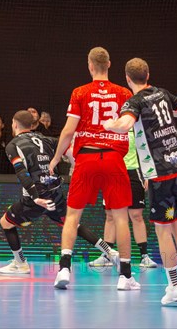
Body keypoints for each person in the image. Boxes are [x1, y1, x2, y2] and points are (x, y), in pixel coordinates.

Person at [102, 57, 177, 305]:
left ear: (127, 78)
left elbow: (124, 125)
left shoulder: (134, 102)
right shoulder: (163, 93)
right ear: (148, 74)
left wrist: (111, 125)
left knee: (163, 229)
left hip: (160, 173)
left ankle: (174, 286)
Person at [48, 47, 139, 291]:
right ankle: (126, 276)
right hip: (113, 159)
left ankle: (64, 269)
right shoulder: (123, 92)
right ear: (109, 64)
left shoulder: (80, 92)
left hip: (86, 158)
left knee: (72, 216)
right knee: (121, 217)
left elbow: (68, 131)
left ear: (89, 66)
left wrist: (56, 158)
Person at [0, 110, 118, 274]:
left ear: (14, 124)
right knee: (72, 223)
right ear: (32, 125)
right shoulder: (45, 139)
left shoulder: (13, 145)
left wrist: (35, 197)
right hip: (54, 192)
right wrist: (79, 171)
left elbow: (21, 173)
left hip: (36, 197)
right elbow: (70, 152)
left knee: (5, 222)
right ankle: (110, 252)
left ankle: (20, 263)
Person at [89, 128, 158, 269]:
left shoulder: (136, 128)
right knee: (110, 216)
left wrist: (148, 174)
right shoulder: (108, 127)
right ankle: (107, 255)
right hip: (112, 172)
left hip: (133, 172)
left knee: (136, 215)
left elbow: (146, 152)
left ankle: (144, 256)